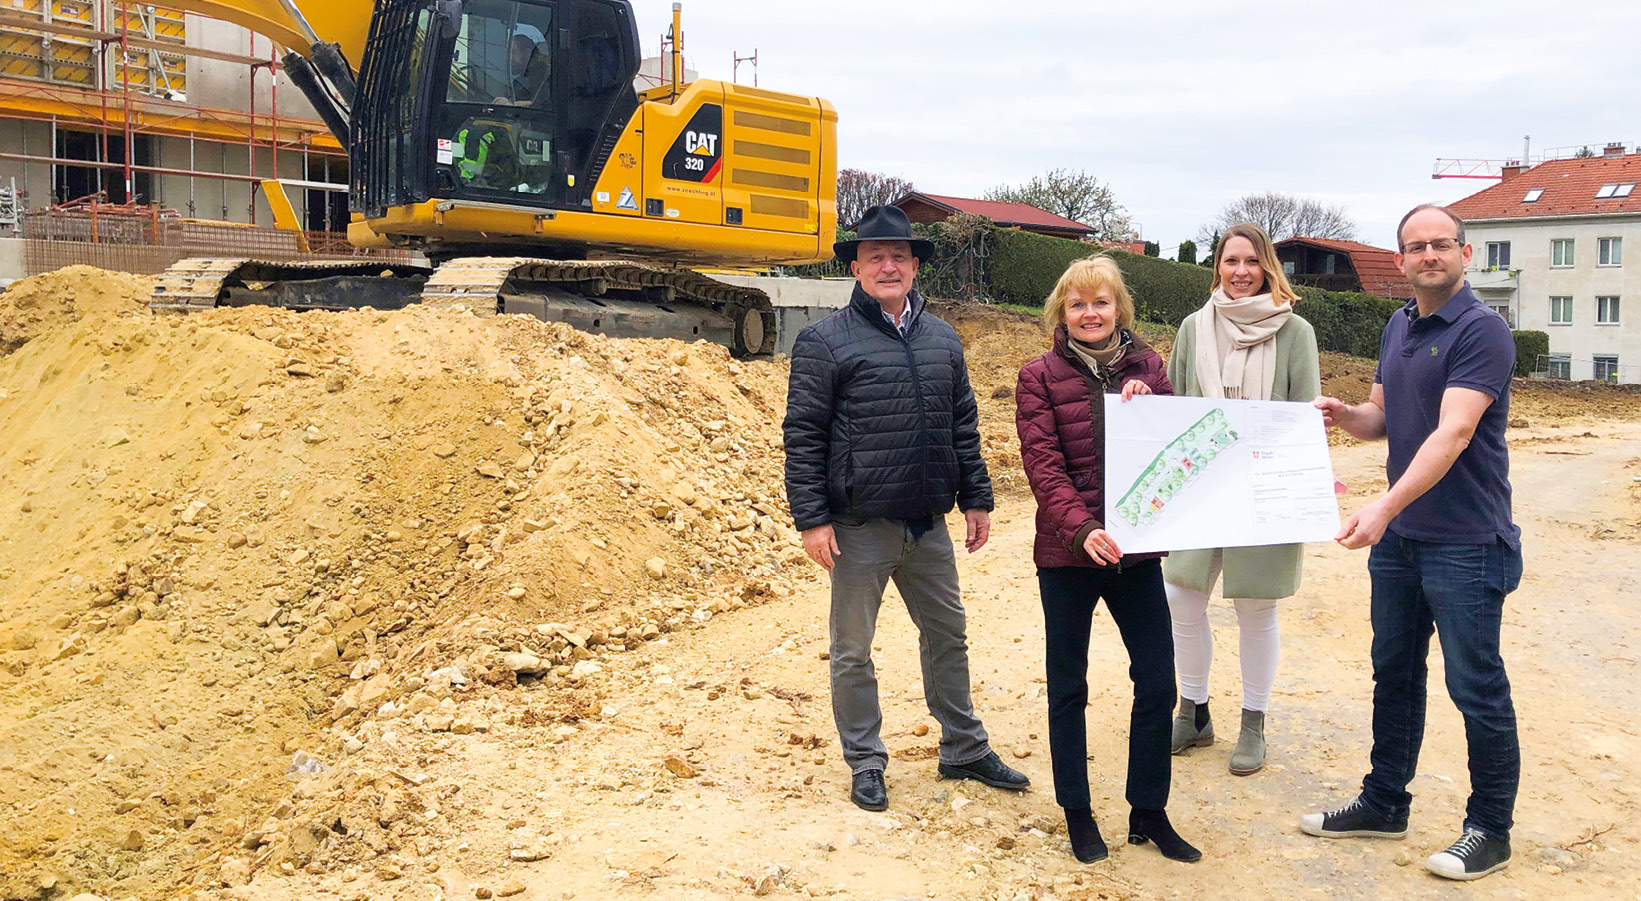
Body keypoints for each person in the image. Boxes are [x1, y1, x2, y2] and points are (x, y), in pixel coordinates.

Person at [783, 205, 1029, 812]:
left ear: (915, 265)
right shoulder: (824, 341)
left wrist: (976, 497)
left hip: (927, 523)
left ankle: (964, 748)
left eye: (899, 256)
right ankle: (865, 760)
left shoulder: (943, 338)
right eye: (875, 257)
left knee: (948, 636)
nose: (888, 265)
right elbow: (804, 434)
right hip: (857, 527)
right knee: (853, 650)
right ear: (857, 267)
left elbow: (962, 426)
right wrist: (812, 519)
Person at [1304, 203, 1523, 882]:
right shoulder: (1397, 324)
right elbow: (1384, 420)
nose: (1427, 254)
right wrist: (1346, 417)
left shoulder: (1482, 331)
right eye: (1414, 246)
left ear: (1463, 252)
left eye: (1439, 244)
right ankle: (1382, 801)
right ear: (1399, 261)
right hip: (1402, 541)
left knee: (1474, 684)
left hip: (1465, 539)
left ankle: (1489, 827)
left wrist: (1383, 505)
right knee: (1393, 671)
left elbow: (1452, 434)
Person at [1016, 256, 1200, 864]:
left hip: (1136, 557)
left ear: (1118, 308)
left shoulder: (1151, 366)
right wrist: (1082, 530)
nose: (1090, 313)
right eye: (1077, 304)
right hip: (1068, 556)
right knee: (1068, 685)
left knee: (1157, 682)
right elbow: (1044, 469)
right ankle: (1078, 813)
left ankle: (1148, 810)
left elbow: (1177, 444)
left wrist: (1152, 403)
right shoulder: (1037, 375)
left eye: (1100, 302)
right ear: (1061, 313)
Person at [1163, 223, 1320, 776]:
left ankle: (1253, 721)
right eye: (1231, 261)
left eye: (1251, 261)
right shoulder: (1191, 327)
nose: (1240, 272)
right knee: (1182, 598)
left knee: (1255, 605)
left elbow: (1303, 411)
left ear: (1268, 267)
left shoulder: (1295, 330)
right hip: (1202, 485)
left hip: (1264, 486)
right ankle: (1193, 709)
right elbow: (1177, 402)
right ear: (1218, 267)